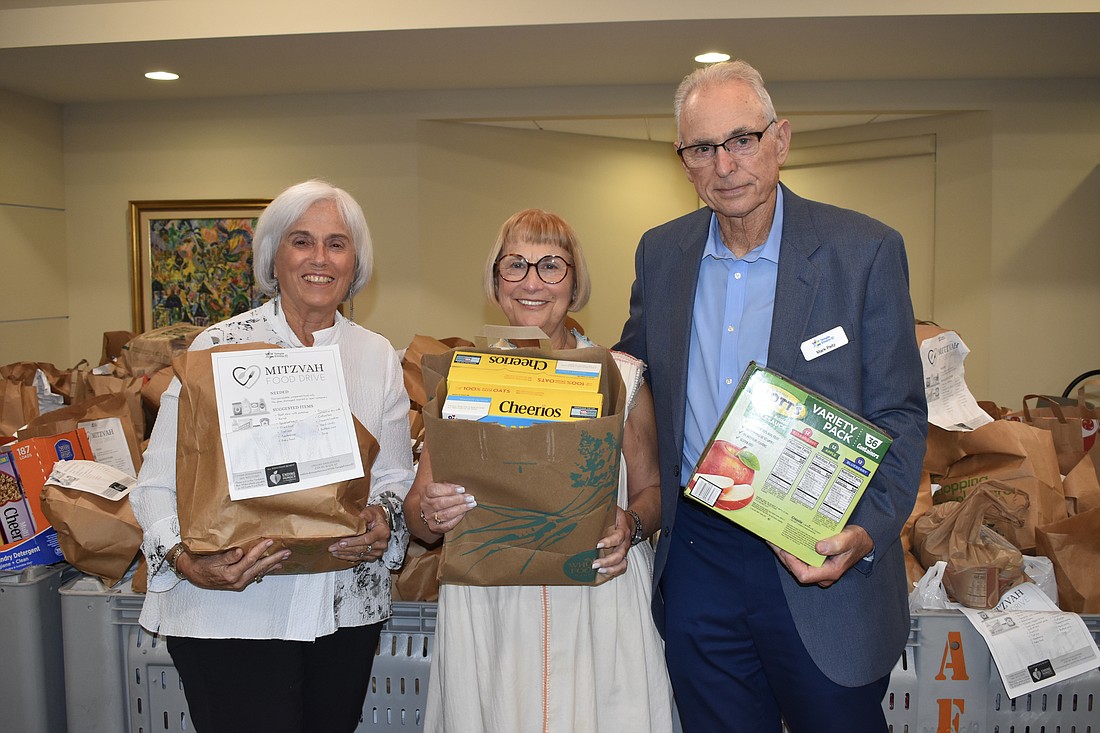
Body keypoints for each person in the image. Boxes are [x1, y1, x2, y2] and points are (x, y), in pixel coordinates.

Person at [615, 60, 928, 733]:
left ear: (780, 140)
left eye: (742, 140)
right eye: (702, 148)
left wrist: (867, 530)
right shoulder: (661, 254)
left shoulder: (863, 251)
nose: (725, 165)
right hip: (699, 554)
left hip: (819, 552)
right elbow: (632, 379)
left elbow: (900, 414)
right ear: (683, 162)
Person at [131, 179, 415, 733]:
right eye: (301, 241)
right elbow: (156, 484)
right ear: (273, 256)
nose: (319, 258)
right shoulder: (218, 348)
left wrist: (383, 518)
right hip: (231, 613)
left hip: (342, 611)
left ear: (355, 262)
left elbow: (395, 476)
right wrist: (187, 561)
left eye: (337, 244)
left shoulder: (376, 356)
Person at [403, 209, 675, 732]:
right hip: (492, 603)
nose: (532, 282)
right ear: (495, 282)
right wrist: (432, 513)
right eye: (515, 265)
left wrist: (632, 524)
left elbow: (654, 489)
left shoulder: (621, 376)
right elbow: (418, 514)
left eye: (551, 265)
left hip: (598, 598)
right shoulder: (464, 378)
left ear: (574, 283)